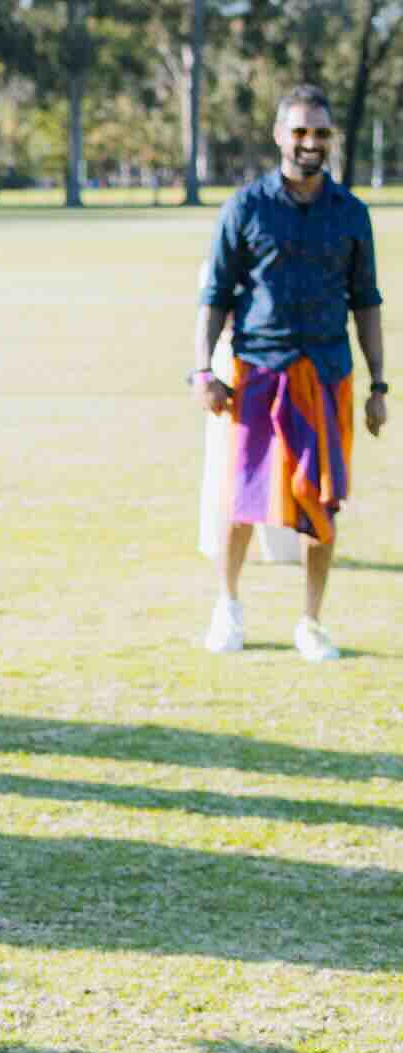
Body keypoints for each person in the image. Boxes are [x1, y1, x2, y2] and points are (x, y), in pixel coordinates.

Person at [195, 83, 384, 662]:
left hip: (326, 374)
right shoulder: (246, 207)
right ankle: (227, 607)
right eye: (299, 131)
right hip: (257, 372)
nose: (310, 143)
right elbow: (215, 294)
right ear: (280, 135)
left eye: (320, 133)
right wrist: (203, 371)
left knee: (321, 504)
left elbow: (366, 301)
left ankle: (312, 622)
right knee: (243, 497)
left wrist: (379, 385)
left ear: (331, 140)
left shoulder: (351, 213)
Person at [197, 261, 300, 565]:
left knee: (280, 451)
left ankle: (282, 541)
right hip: (237, 359)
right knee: (227, 456)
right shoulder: (222, 259)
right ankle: (220, 540)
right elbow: (217, 312)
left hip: (276, 358)